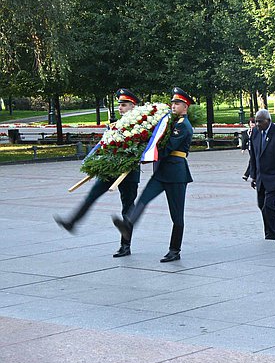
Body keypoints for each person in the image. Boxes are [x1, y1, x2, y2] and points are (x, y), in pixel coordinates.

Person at [54, 89, 142, 258]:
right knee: (92, 195)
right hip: (109, 169)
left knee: (127, 207)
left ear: (133, 106)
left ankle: (125, 245)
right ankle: (72, 222)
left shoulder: (142, 125)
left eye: (124, 105)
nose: (120, 108)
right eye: (119, 106)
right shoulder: (114, 125)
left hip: (128, 171)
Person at [113, 88, 194, 262]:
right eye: (172, 102)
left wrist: (143, 153)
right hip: (162, 171)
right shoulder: (171, 122)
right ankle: (126, 231)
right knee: (143, 199)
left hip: (176, 174)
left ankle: (175, 250)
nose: (173, 105)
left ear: (185, 107)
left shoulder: (183, 126)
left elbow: (167, 148)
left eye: (177, 103)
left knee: (177, 215)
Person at [246, 109, 275, 240]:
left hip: (274, 176)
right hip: (260, 176)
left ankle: (271, 234)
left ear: (268, 121)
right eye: (256, 121)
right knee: (262, 205)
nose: (258, 124)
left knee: (269, 206)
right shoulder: (255, 132)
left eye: (260, 122)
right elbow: (253, 156)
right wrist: (253, 175)